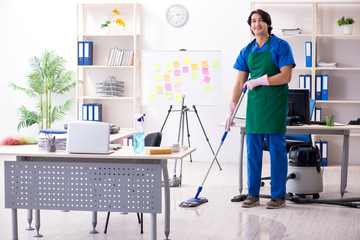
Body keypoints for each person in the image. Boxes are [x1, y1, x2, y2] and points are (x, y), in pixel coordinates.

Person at [225, 9, 295, 209]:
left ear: (267, 24)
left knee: (276, 152)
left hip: (274, 105)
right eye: (253, 21)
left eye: (261, 21)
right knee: (253, 153)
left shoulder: (281, 46)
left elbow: (286, 76)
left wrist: (261, 80)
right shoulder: (247, 50)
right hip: (254, 108)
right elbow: (240, 83)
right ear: (250, 25)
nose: (257, 24)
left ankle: (278, 196)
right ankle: (253, 193)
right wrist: (231, 108)